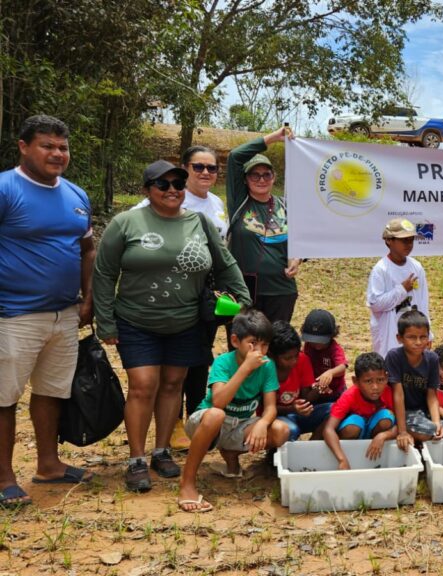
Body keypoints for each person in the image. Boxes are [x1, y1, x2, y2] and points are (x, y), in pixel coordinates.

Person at [94, 159, 250, 493]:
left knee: (173, 385)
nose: (172, 191)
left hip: (186, 320)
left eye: (177, 184)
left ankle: (161, 451)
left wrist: (241, 299)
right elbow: (105, 273)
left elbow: (225, 262)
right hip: (136, 320)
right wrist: (105, 320)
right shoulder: (126, 223)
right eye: (162, 185)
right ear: (147, 190)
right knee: (142, 385)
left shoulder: (200, 222)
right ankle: (136, 459)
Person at [0, 115, 96, 508]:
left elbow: (87, 249)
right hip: (13, 314)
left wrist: (88, 297)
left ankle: (49, 464)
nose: (57, 154)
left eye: (63, 147)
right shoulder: (6, 189)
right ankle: (4, 477)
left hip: (64, 313)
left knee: (50, 391)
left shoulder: (76, 195)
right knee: (4, 397)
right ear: (23, 147)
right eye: (47, 146)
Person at [137, 146, 229, 450]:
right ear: (185, 169)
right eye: (198, 167)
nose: (205, 173)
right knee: (171, 364)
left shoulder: (216, 204)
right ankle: (173, 422)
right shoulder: (169, 197)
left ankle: (195, 418)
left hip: (206, 296)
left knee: (199, 358)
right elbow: (133, 226)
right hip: (170, 293)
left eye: (211, 168)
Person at [178, 310, 290, 512]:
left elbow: (271, 406)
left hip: (240, 425)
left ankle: (231, 453)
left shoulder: (267, 366)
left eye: (265, 345)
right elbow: (218, 402)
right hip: (206, 422)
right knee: (216, 415)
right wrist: (245, 368)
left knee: (281, 430)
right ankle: (187, 483)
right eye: (253, 343)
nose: (260, 351)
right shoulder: (223, 362)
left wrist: (263, 424)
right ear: (235, 341)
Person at [226, 126, 300, 324]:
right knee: (243, 348)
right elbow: (235, 157)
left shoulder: (286, 206)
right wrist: (274, 137)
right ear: (245, 180)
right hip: (244, 292)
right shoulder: (239, 203)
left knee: (275, 348)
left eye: (266, 174)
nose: (261, 179)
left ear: (273, 178)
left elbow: (305, 237)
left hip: (282, 291)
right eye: (254, 175)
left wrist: (298, 258)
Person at [367, 218, 431, 357]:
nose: (409, 244)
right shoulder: (381, 269)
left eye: (411, 240)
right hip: (389, 335)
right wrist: (401, 290)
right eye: (404, 240)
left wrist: (428, 334)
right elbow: (375, 304)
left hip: (415, 335)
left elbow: (423, 303)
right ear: (389, 240)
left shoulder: (416, 267)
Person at [323, 352, 397, 469]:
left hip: (377, 436)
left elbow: (402, 425)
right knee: (353, 426)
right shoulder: (349, 396)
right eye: (368, 381)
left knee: (386, 418)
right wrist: (341, 459)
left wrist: (384, 435)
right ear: (355, 381)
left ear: (386, 378)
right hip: (355, 433)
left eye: (380, 380)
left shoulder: (389, 393)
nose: (375, 387)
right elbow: (328, 429)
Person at [384, 309, 443, 446]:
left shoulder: (432, 359)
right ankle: (404, 433)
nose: (418, 342)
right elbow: (398, 395)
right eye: (411, 337)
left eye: (423, 337)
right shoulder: (394, 357)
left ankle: (421, 438)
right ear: (399, 338)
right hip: (401, 412)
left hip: (423, 412)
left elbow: (432, 395)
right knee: (426, 431)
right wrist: (402, 431)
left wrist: (436, 422)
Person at [267, 321, 331, 442]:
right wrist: (292, 408)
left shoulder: (302, 360)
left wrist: (318, 389)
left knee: (334, 410)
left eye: (296, 355)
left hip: (297, 413)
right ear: (272, 355)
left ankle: (313, 445)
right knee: (291, 429)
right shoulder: (265, 368)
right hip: (275, 417)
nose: (294, 361)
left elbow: (306, 397)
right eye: (287, 358)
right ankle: (276, 449)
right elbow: (266, 408)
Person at [301, 309, 348, 403]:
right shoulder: (308, 346)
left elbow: (342, 367)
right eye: (313, 341)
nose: (316, 344)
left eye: (321, 341)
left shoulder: (334, 348)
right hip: (315, 389)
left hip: (335, 392)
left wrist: (331, 372)